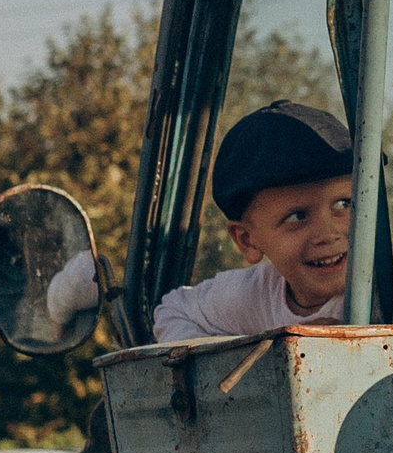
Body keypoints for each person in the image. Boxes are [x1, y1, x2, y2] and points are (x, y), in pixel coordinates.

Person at [121, 100, 357, 341]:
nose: (327, 234)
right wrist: (245, 357)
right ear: (247, 241)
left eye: (344, 204)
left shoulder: (381, 291)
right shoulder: (258, 294)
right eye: (297, 216)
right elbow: (174, 310)